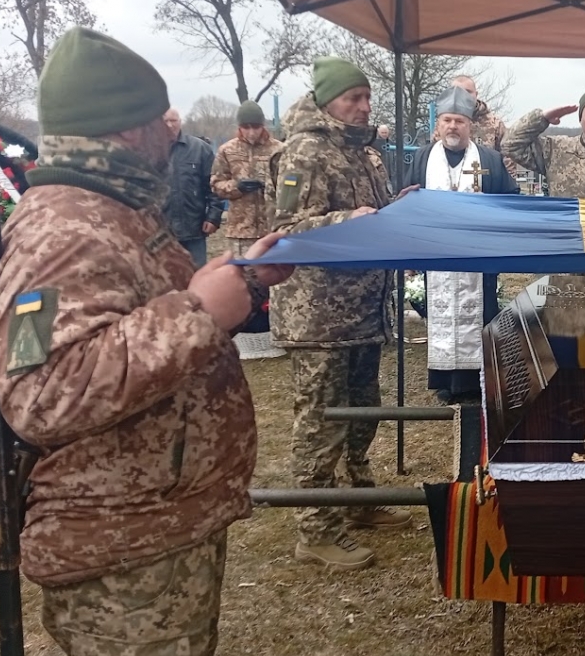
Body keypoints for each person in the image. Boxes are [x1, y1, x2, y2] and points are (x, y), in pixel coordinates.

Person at [0, 27, 292, 656]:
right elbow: (38, 391)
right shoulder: (63, 228)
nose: (172, 128)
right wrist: (199, 310)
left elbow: (131, 321)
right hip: (122, 547)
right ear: (125, 128)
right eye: (160, 116)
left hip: (151, 527)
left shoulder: (112, 210)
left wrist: (241, 281)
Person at [270, 56, 412, 572]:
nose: (364, 106)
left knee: (362, 411)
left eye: (367, 97)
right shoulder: (304, 151)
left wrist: (399, 206)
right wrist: (347, 218)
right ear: (328, 100)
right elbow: (285, 229)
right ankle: (317, 529)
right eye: (354, 98)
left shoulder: (366, 153)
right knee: (321, 421)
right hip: (319, 317)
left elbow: (373, 217)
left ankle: (358, 499)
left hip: (364, 312)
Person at [400, 85, 518, 404]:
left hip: (478, 258)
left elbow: (511, 201)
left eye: (459, 121)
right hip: (436, 254)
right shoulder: (423, 157)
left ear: (470, 125)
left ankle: (478, 381)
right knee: (442, 314)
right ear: (438, 124)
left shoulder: (489, 159)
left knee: (481, 317)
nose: (453, 126)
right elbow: (406, 200)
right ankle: (445, 382)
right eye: (447, 120)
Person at [211, 99, 283, 256]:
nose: (251, 132)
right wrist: (236, 186)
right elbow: (216, 184)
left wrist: (271, 186)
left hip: (272, 228)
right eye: (246, 127)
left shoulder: (279, 150)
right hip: (241, 231)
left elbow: (290, 184)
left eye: (256, 127)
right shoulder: (227, 150)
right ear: (239, 127)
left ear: (263, 126)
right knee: (243, 270)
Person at [163, 106, 223, 268]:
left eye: (173, 120)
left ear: (180, 122)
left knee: (198, 276)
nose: (169, 125)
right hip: (161, 233)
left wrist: (213, 217)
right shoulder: (149, 151)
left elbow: (213, 186)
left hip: (194, 229)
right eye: (165, 121)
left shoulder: (200, 149)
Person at [451, 74, 507, 152]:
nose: (464, 96)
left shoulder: (495, 124)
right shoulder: (446, 122)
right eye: (459, 92)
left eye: (468, 92)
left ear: (476, 94)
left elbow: (506, 155)